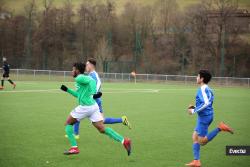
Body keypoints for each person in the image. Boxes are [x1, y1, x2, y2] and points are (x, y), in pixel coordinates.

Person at [60, 62, 131, 155]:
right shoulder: (79, 80)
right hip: (93, 107)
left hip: (85, 107)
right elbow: (78, 95)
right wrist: (67, 90)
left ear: (77, 70)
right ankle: (124, 141)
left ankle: (74, 148)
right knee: (102, 129)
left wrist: (94, 93)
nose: (72, 71)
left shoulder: (79, 78)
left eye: (73, 69)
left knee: (68, 123)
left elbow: (92, 81)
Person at [71, 58, 131, 139]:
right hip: (93, 101)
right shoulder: (90, 75)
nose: (86, 66)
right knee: (102, 120)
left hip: (94, 101)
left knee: (77, 114)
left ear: (91, 65)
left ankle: (75, 134)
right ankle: (122, 119)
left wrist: (92, 95)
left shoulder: (93, 75)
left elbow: (98, 84)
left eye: (87, 64)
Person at [185, 69, 234, 167]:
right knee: (194, 137)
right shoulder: (208, 89)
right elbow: (206, 104)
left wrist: (193, 111)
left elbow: (206, 103)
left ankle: (220, 128)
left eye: (198, 76)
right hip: (204, 116)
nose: (196, 78)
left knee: (201, 142)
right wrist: (194, 107)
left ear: (202, 78)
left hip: (204, 118)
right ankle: (196, 161)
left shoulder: (203, 89)